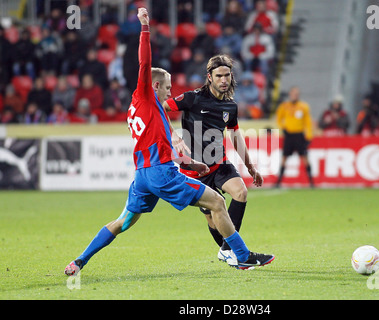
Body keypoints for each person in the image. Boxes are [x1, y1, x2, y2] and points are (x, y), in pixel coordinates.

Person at [64, 8, 274, 276]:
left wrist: (191, 162)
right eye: (166, 87)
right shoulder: (145, 97)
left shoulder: (138, 110)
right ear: (153, 88)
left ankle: (80, 260)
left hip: (143, 175)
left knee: (123, 222)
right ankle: (241, 256)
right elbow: (144, 64)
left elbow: (159, 146)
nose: (169, 92)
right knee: (218, 203)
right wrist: (145, 28)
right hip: (162, 174)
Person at [164, 54, 265, 266]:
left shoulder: (230, 107)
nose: (224, 80)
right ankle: (230, 252)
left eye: (227, 75)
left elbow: (235, 137)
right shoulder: (192, 98)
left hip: (220, 163)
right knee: (213, 218)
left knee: (241, 192)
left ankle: (228, 250)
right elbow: (160, 109)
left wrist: (250, 167)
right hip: (195, 170)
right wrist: (173, 136)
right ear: (209, 77)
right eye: (219, 76)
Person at [275, 86, 314, 188]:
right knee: (284, 157)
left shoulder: (303, 106)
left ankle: (311, 182)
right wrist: (283, 127)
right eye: (293, 94)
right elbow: (278, 119)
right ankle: (278, 182)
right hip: (289, 135)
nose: (295, 96)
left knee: (305, 157)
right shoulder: (284, 106)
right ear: (290, 95)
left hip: (299, 135)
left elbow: (308, 122)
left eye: (296, 94)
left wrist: (309, 136)